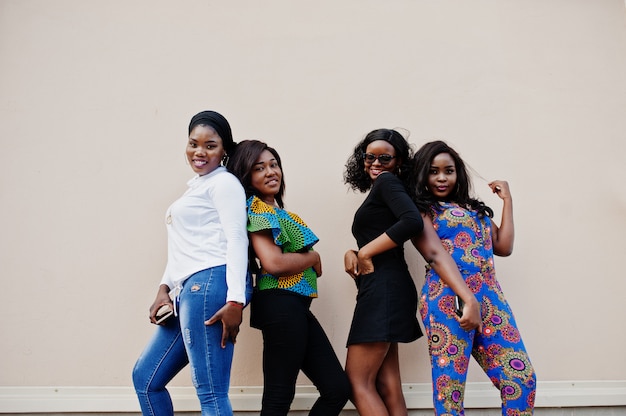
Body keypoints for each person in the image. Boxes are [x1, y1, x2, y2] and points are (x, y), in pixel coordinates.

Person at [342, 129, 481, 416]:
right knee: (387, 382)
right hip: (388, 287)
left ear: (400, 163)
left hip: (383, 288)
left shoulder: (388, 183)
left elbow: (411, 223)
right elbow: (388, 232)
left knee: (357, 382)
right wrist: (355, 252)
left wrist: (366, 252)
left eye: (385, 157)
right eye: (370, 157)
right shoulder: (387, 188)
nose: (375, 163)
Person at [132, 110, 252, 416]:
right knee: (146, 379)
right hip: (189, 290)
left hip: (210, 285)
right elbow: (185, 248)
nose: (200, 152)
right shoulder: (198, 187)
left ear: (224, 150)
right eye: (193, 143)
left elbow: (237, 239)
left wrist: (236, 300)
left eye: (210, 145)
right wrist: (164, 287)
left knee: (211, 393)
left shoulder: (223, 184)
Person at [412, 140, 536, 415]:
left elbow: (503, 246)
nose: (442, 177)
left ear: (459, 174)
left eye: (449, 170)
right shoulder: (421, 210)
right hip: (447, 300)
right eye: (433, 171)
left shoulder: (471, 209)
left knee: (521, 379)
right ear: (422, 174)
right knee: (450, 392)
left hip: (490, 297)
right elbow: (433, 254)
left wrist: (507, 201)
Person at [227, 139, 350, 416]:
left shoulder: (275, 211)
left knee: (337, 389)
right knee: (279, 397)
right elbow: (273, 263)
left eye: (274, 164)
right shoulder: (257, 209)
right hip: (279, 303)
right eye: (259, 168)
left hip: (295, 306)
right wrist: (313, 258)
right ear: (246, 176)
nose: (271, 172)